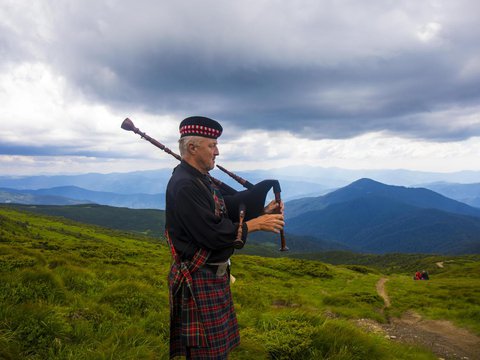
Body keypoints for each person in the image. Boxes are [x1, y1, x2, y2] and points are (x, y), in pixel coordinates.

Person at [165, 116, 285, 359]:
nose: (217, 152)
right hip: (199, 279)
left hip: (210, 277)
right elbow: (212, 234)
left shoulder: (199, 179)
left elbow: (223, 211)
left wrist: (263, 211)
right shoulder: (186, 185)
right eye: (212, 145)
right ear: (192, 147)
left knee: (215, 352)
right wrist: (256, 224)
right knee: (207, 355)